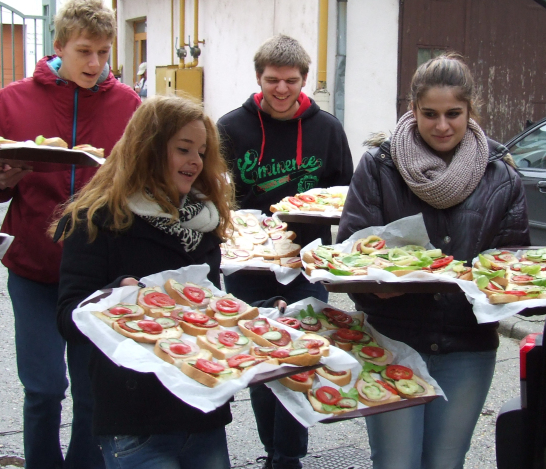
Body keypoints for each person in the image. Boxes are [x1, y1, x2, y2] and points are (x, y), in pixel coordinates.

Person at [52, 95, 278, 468]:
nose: (195, 162)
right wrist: (115, 297)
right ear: (149, 150)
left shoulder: (203, 221)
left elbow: (206, 307)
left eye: (202, 152)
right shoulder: (97, 219)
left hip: (200, 408)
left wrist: (264, 316)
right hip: (135, 417)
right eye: (183, 149)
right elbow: (67, 318)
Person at [336, 53, 530, 469]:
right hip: (391, 340)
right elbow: (349, 253)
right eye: (430, 114)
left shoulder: (501, 174)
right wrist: (378, 285)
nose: (442, 126)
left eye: (453, 114)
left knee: (445, 462)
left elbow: (514, 264)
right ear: (413, 110)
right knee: (395, 462)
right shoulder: (379, 166)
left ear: (471, 110)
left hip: (467, 345)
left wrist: (502, 290)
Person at [0, 0, 140, 467]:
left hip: (97, 271)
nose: (95, 64)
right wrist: (2, 179)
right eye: (84, 51)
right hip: (33, 267)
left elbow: (140, 184)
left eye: (104, 53)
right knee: (44, 389)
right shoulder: (14, 99)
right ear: (58, 47)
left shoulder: (128, 104)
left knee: (92, 394)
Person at [216, 34, 353, 469]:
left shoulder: (327, 129)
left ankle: (288, 455)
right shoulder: (230, 128)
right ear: (259, 78)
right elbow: (217, 195)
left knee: (302, 355)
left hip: (306, 262)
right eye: (273, 80)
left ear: (304, 80)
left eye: (290, 81)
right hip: (246, 263)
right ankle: (274, 448)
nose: (281, 90)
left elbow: (345, 196)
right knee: (263, 358)